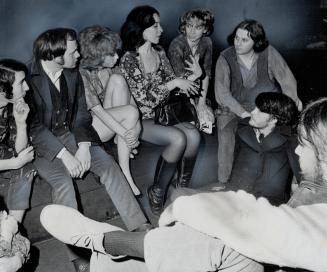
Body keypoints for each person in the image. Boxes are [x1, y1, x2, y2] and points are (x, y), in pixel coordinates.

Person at [40, 97, 327, 272]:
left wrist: (195, 208)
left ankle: (111, 242)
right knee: (218, 237)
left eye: (305, 145)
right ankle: (118, 246)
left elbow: (271, 229)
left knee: (226, 243)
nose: (298, 150)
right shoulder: (314, 189)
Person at [28, 28, 150, 271]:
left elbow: (82, 116)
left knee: (108, 166)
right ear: (57, 55)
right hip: (43, 146)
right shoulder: (29, 79)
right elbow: (35, 128)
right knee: (63, 182)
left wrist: (83, 147)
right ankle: (80, 257)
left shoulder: (73, 75)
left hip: (73, 136)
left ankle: (141, 228)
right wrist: (65, 156)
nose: (79, 55)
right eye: (74, 51)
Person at [119, 5, 201, 215]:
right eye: (155, 25)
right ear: (140, 29)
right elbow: (144, 102)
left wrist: (193, 77)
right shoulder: (129, 59)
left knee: (193, 135)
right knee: (178, 139)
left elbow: (175, 88)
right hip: (140, 119)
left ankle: (180, 189)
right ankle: (157, 190)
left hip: (164, 114)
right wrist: (174, 83)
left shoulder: (159, 52)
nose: (161, 29)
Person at [215, 19, 302, 184]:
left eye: (244, 40)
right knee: (226, 130)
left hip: (268, 108)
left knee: (287, 133)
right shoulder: (224, 58)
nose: (238, 43)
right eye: (236, 38)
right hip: (235, 108)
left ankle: (296, 183)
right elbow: (222, 94)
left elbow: (287, 80)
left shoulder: (269, 53)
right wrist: (244, 114)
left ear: (257, 42)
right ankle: (225, 182)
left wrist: (288, 105)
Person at [79, 25, 141, 196]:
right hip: (91, 130)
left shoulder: (113, 68)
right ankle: (125, 174)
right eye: (111, 54)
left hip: (112, 124)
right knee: (130, 113)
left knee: (118, 80)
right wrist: (127, 135)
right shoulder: (82, 73)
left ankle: (125, 172)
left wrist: (135, 131)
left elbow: (131, 102)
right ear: (98, 56)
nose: (117, 56)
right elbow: (97, 111)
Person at [226, 92, 301, 205]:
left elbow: (302, 177)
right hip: (235, 198)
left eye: (260, 110)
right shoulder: (242, 130)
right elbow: (235, 161)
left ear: (274, 119)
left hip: (269, 204)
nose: (252, 112)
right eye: (255, 107)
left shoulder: (289, 140)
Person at [0, 59, 36, 224]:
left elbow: (21, 152)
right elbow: (17, 160)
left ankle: (12, 230)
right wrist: (14, 163)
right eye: (21, 83)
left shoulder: (8, 107)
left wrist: (21, 123)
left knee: (26, 166)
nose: (27, 88)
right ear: (2, 90)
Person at [168, 8, 215, 133]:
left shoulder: (207, 42)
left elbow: (206, 75)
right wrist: (197, 74)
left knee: (208, 126)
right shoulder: (176, 45)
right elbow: (179, 83)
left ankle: (200, 117)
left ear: (205, 29)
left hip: (197, 93)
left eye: (198, 27)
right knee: (192, 127)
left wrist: (202, 103)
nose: (192, 32)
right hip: (177, 95)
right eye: (189, 26)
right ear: (184, 26)